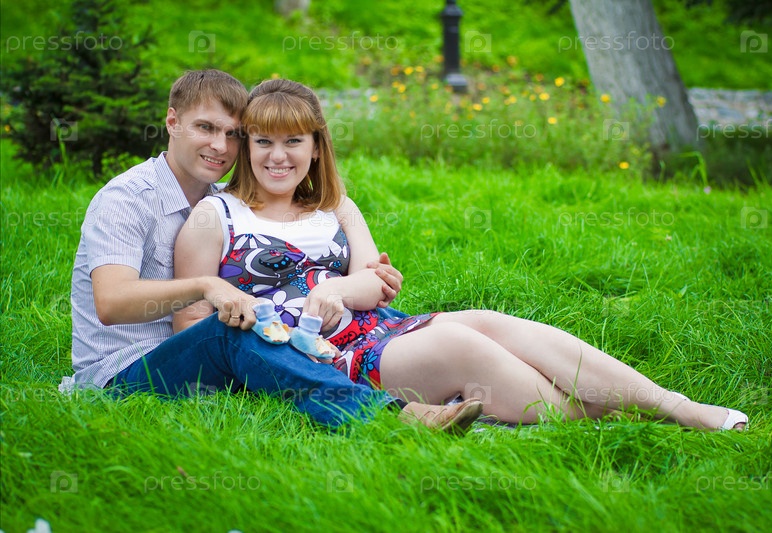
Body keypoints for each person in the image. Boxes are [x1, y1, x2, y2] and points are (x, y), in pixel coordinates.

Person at [173, 78, 749, 431]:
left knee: (488, 321)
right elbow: (195, 331)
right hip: (321, 361)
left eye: (294, 141)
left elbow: (374, 282)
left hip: (377, 327)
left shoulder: (335, 207)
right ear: (247, 145)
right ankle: (604, 413)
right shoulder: (216, 216)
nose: (278, 156)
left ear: (317, 147)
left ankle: (671, 405)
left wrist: (334, 289)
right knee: (457, 344)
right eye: (264, 141)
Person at [66, 69, 484, 432]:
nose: (220, 146)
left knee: (252, 326)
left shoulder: (219, 200)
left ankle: (458, 378)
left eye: (233, 134)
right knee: (228, 332)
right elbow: (111, 303)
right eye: (205, 128)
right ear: (172, 122)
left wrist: (366, 280)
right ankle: (390, 415)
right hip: (124, 373)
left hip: (201, 358)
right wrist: (207, 286)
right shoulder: (127, 198)